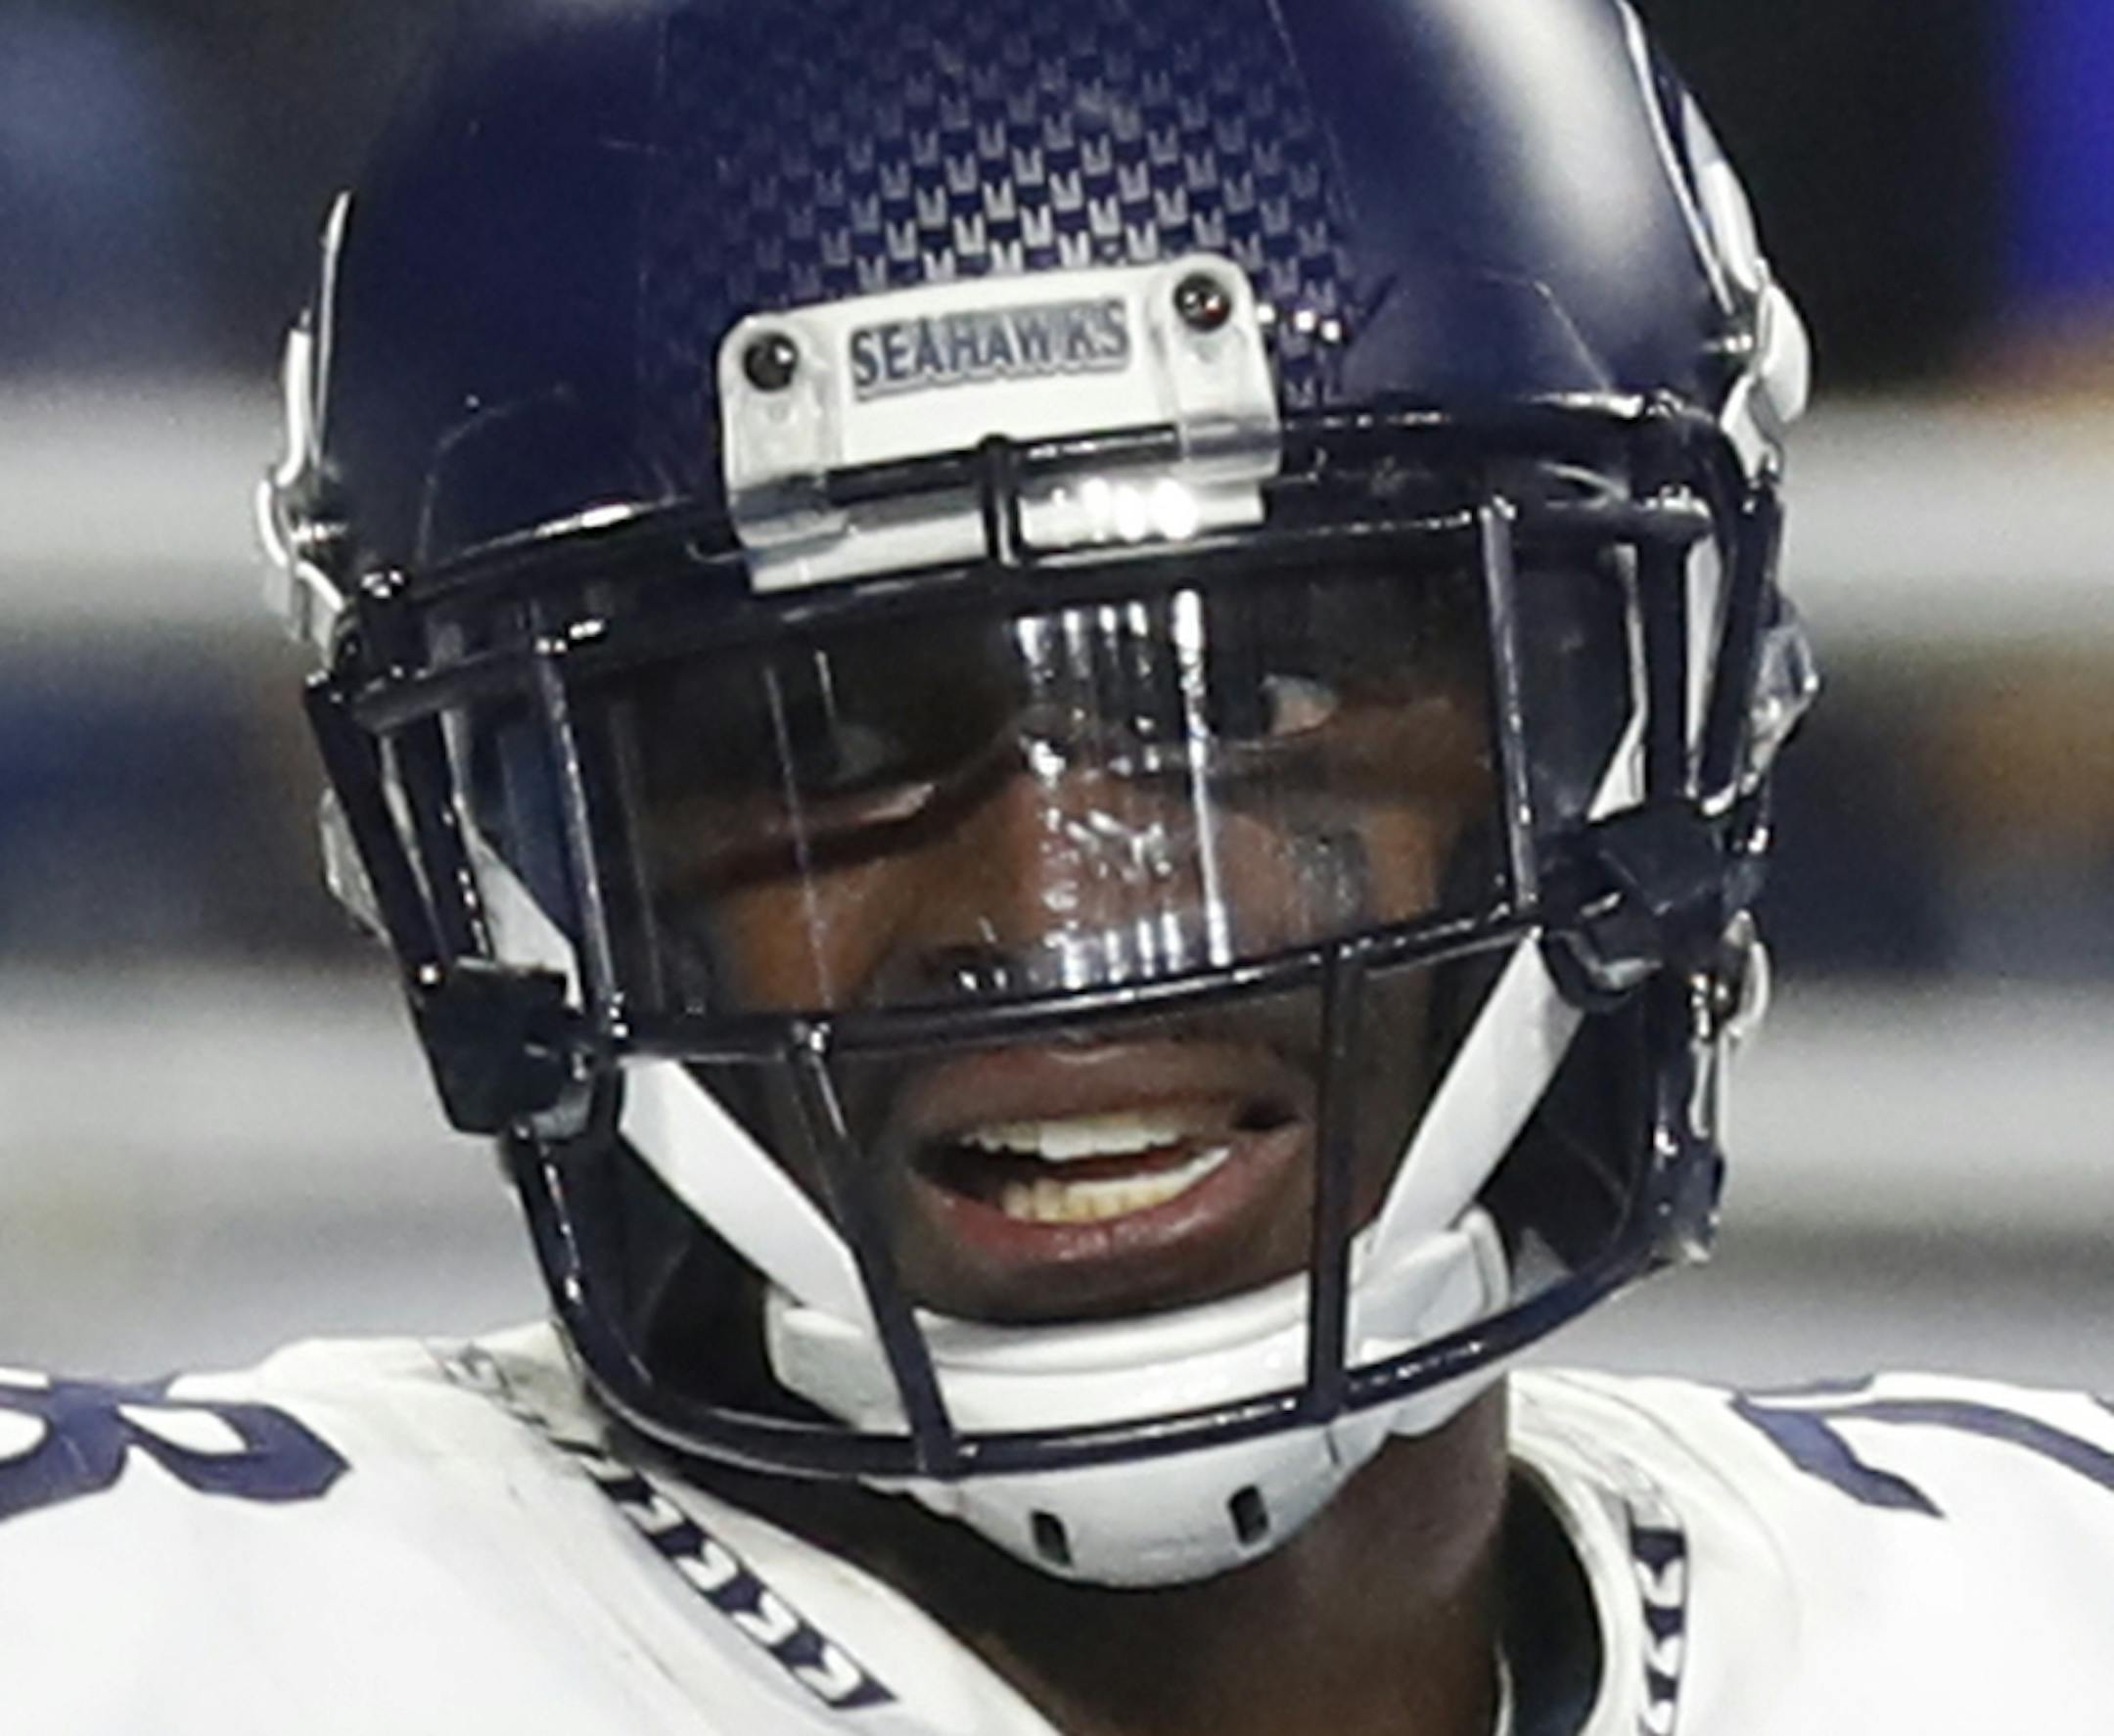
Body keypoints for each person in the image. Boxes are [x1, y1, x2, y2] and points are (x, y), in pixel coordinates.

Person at [9, 1, 2114, 1730]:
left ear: (1634, 726)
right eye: (808, 736)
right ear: (506, 856)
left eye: (1264, 696)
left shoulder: (2034, 1616)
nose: (1055, 914)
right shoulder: (130, 1626)